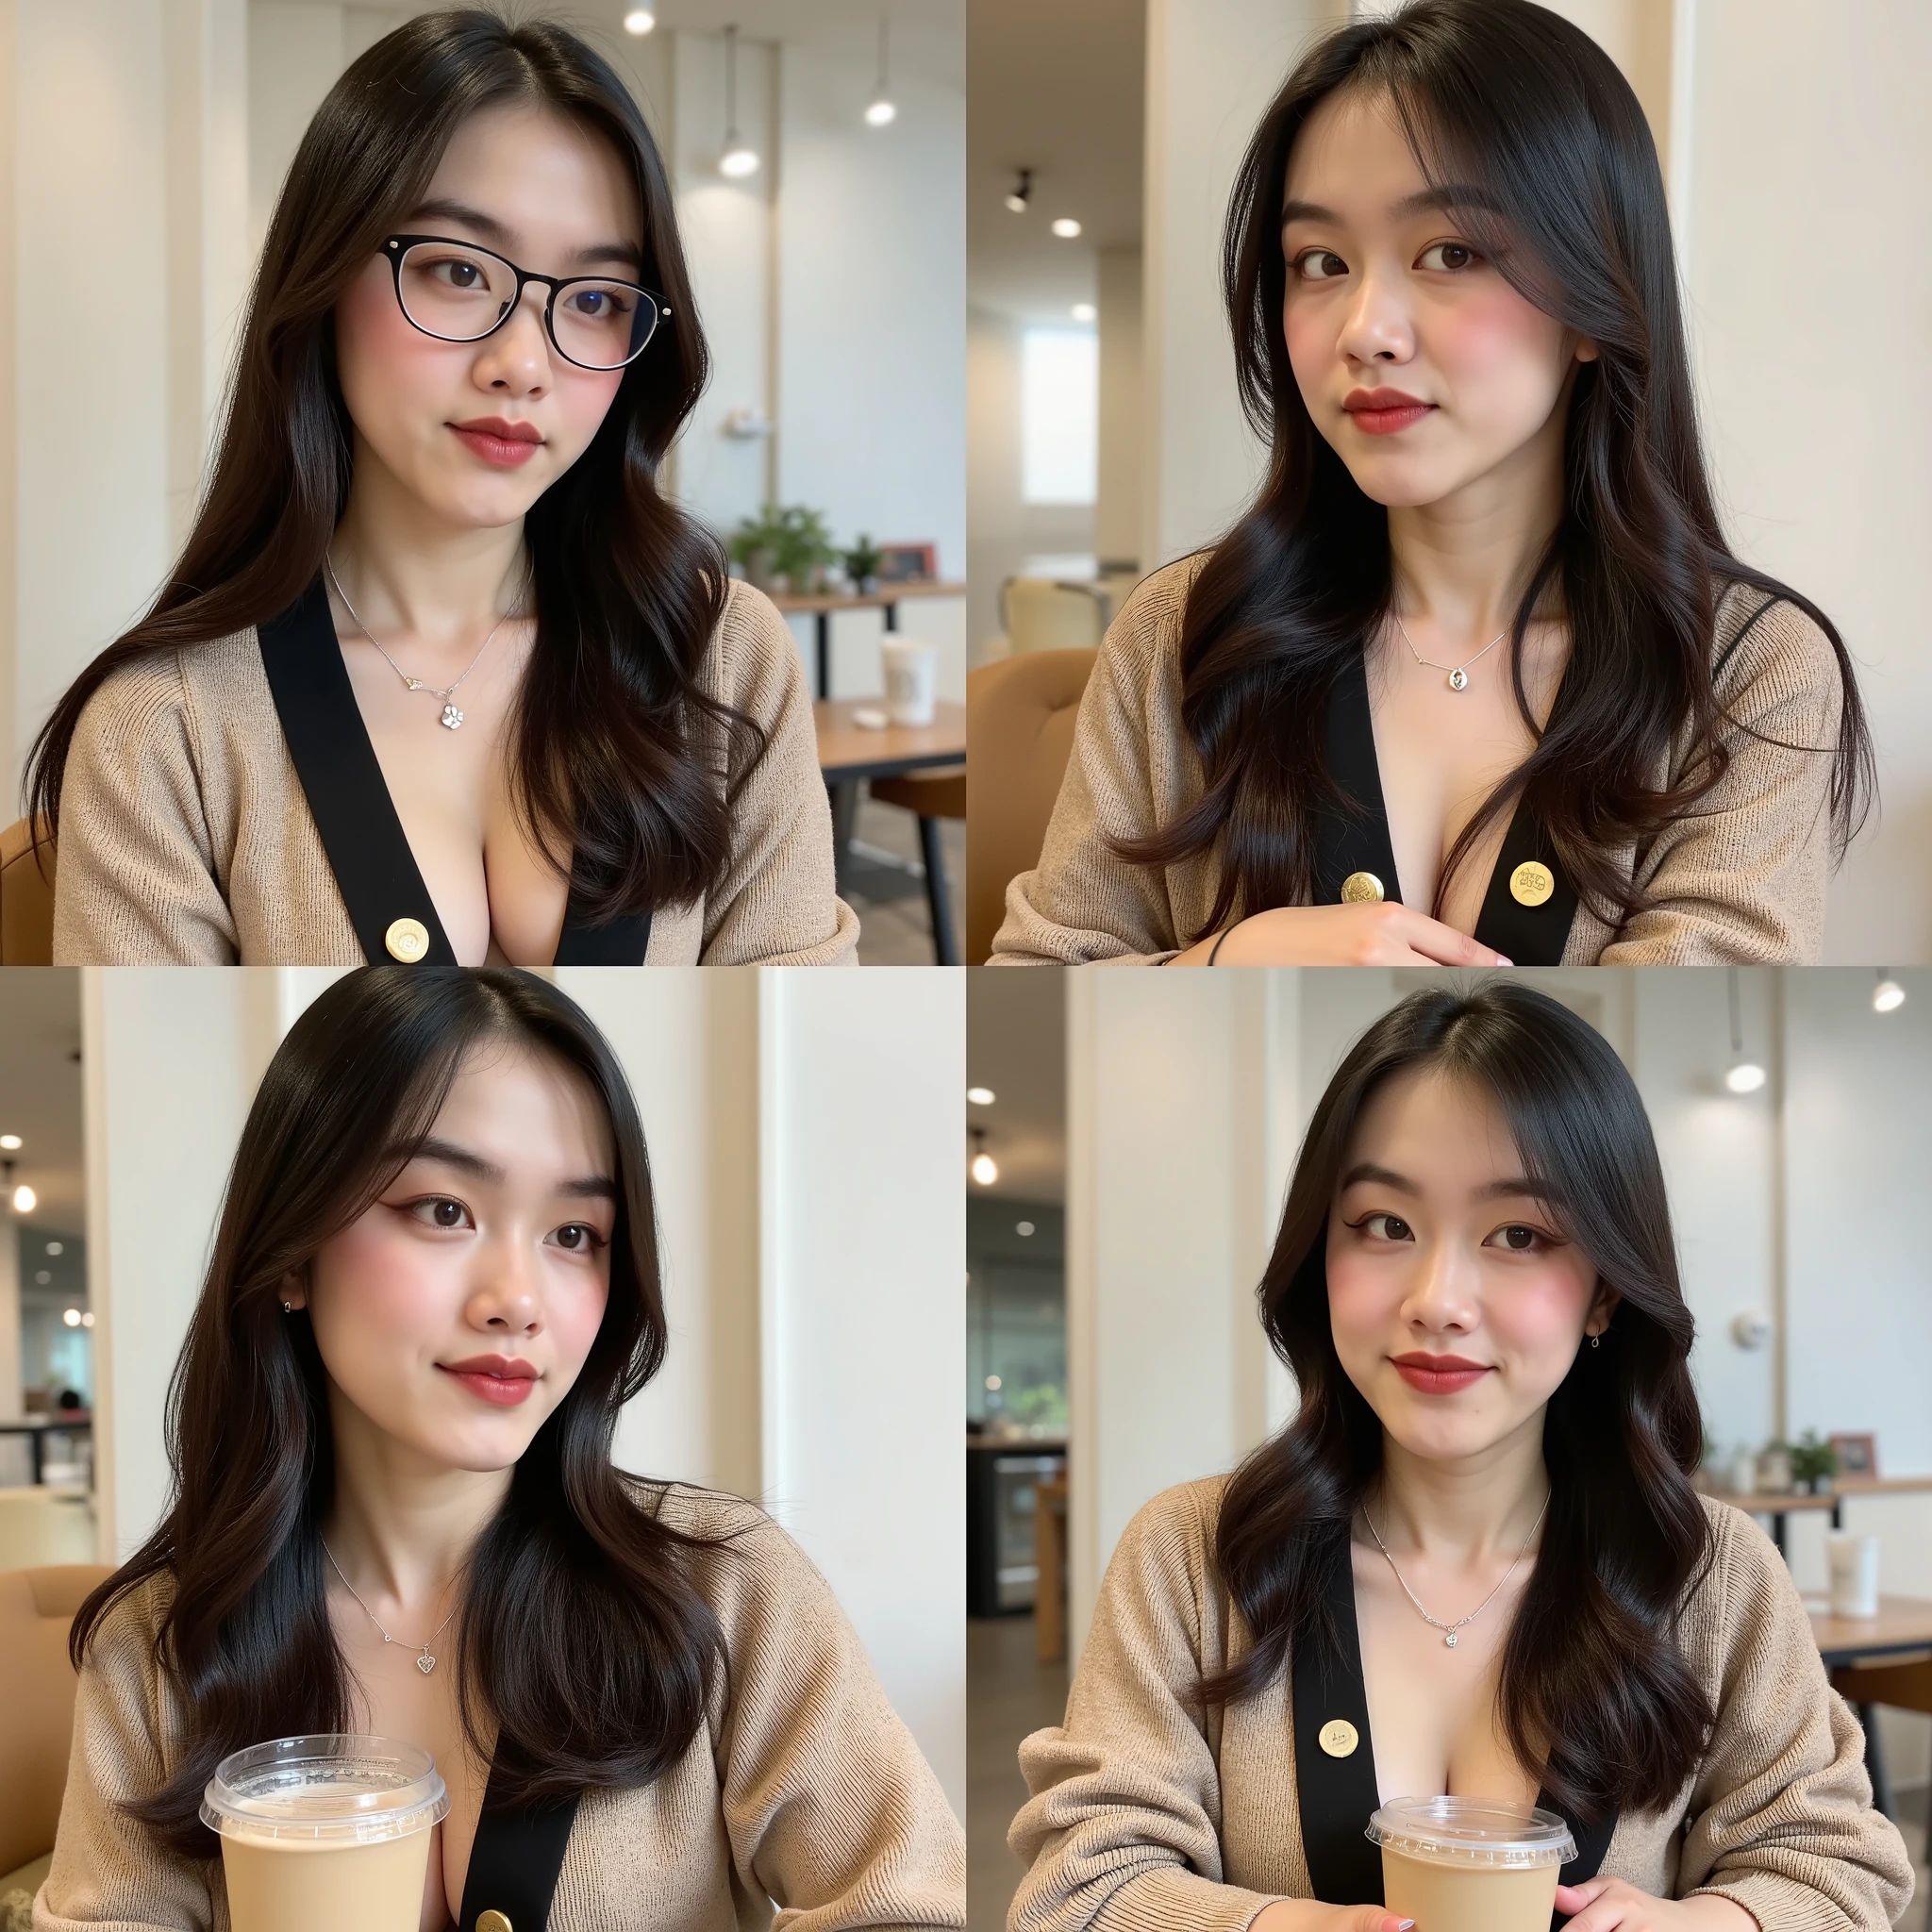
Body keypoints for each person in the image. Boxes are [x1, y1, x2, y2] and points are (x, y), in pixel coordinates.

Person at [38, 969, 960, 1931]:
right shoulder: (161, 1643)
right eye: (443, 1208)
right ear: (291, 1253)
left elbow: (908, 1902)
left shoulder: (719, 1587)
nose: (517, 1296)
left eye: (574, 1232)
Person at [1007, 983, 1912, 1932]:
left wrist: (1710, 1919)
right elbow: (1078, 1886)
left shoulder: (1709, 1573)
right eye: (1384, 1224)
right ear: (1322, 1255)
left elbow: (1835, 1869)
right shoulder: (1192, 1555)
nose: (1437, 1297)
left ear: (1604, 1292)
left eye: (1517, 1234)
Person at [991, 0, 1870, 968]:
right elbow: (1038, 971)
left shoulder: (1743, 671)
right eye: (1318, 261)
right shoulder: (1180, 633)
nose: (1364, 328)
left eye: (1449, 252)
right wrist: (1223, 960)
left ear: (1593, 299)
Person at [36, 12, 855, 967]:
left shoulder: (719, 658)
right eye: (458, 270)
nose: (523, 364)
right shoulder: (164, 731)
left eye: (593, 300)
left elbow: (801, 1027)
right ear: (325, 279)